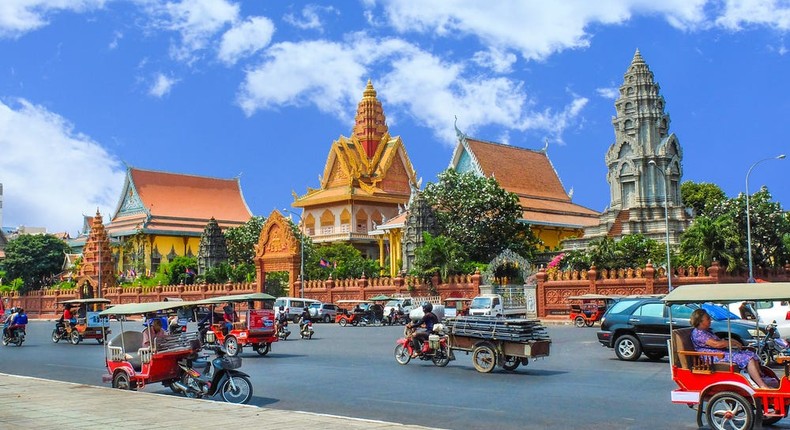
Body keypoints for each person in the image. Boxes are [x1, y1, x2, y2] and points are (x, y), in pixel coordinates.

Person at [690, 308, 777, 389]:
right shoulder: (699, 333)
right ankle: (762, 385)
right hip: (713, 357)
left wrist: (729, 342)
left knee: (751, 354)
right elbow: (716, 344)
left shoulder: (707, 331)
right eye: (707, 319)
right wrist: (732, 342)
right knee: (748, 358)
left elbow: (720, 342)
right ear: (700, 321)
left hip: (720, 353)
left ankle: (760, 377)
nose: (710, 320)